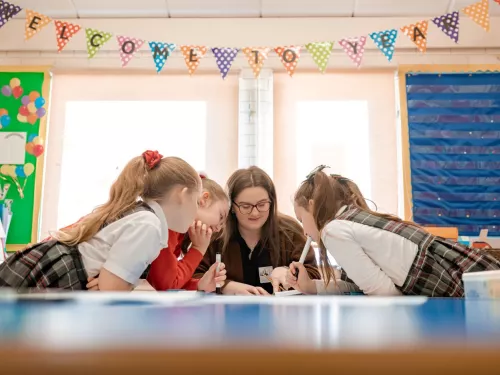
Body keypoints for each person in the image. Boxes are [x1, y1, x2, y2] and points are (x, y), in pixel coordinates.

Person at [0, 151, 225, 292]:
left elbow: (109, 282)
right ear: (181, 195)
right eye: (196, 201)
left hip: (57, 269)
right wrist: (118, 284)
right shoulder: (150, 226)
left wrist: (116, 282)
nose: (196, 209)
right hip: (56, 275)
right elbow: (111, 289)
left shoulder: (143, 215)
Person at [287, 165, 500, 297]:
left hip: (452, 280)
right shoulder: (349, 217)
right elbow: (361, 285)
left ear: (313, 205)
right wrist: (311, 286)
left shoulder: (333, 231)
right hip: (464, 268)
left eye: (301, 219)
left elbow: (383, 293)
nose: (304, 230)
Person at [194, 166, 320, 295]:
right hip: (230, 311)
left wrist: (289, 272)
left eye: (262, 205)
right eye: (245, 206)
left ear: (272, 203)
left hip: (280, 312)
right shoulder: (215, 234)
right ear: (232, 206)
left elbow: (314, 276)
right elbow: (195, 277)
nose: (255, 213)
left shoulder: (291, 232)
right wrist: (226, 286)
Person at [144, 173, 230, 292]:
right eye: (221, 217)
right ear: (203, 199)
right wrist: (198, 249)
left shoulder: (178, 232)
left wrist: (199, 284)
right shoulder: (168, 225)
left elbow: (171, 280)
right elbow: (168, 285)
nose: (218, 229)